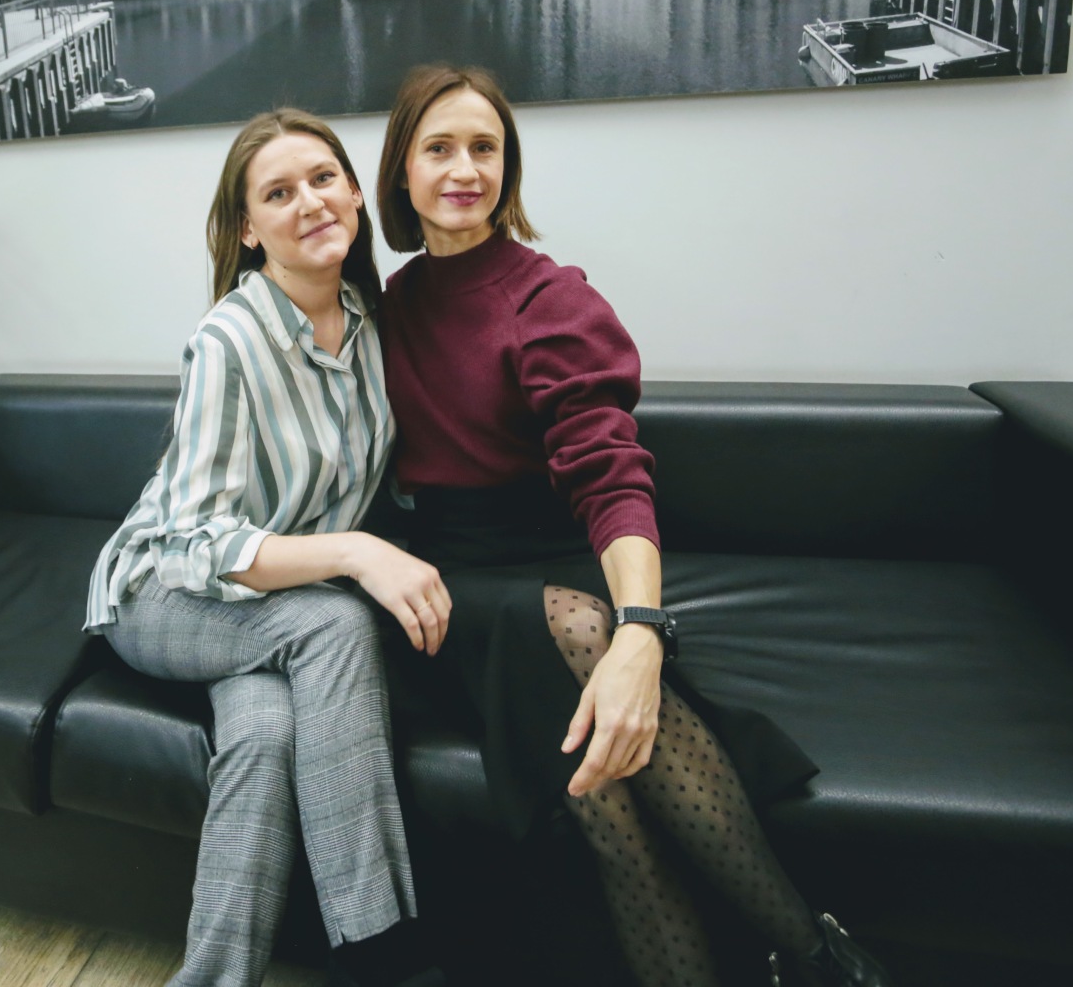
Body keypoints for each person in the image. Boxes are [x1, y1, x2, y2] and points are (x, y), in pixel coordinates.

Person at [372, 65, 891, 987]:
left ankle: (818, 959)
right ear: (402, 172)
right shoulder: (386, 308)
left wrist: (643, 630)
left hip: (556, 563)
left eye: (485, 148)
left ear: (509, 167)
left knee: (607, 796)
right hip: (451, 589)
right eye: (438, 148)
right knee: (576, 645)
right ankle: (824, 958)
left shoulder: (549, 300)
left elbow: (608, 472)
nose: (464, 170)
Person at [86, 109, 451, 987]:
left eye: (323, 179)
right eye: (279, 193)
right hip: (162, 592)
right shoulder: (229, 340)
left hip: (265, 610)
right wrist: (357, 554)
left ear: (355, 193)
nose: (310, 202)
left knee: (264, 733)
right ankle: (377, 952)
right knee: (334, 626)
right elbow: (194, 544)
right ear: (250, 229)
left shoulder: (371, 324)